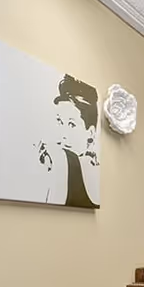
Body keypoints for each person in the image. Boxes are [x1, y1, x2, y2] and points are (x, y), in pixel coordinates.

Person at [36, 74, 100, 208]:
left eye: (72, 124)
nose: (63, 135)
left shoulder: (62, 159)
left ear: (91, 133)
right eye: (59, 121)